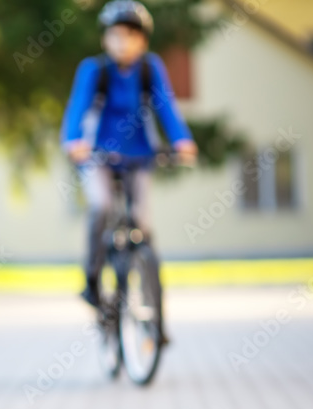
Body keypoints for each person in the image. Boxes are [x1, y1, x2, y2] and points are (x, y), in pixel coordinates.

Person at [61, 1, 197, 308]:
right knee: (102, 205)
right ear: (104, 39)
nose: (123, 42)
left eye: (130, 35)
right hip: (98, 155)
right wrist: (72, 141)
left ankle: (150, 298)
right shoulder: (94, 70)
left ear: (143, 41)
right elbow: (77, 108)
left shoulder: (151, 69)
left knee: (142, 223)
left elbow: (166, 107)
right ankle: (92, 280)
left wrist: (181, 141)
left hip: (139, 155)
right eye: (116, 35)